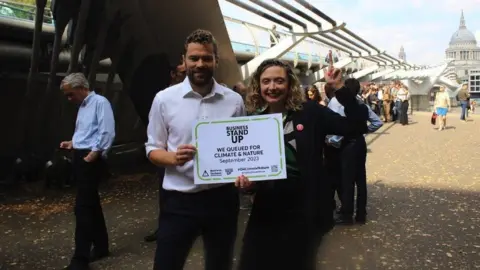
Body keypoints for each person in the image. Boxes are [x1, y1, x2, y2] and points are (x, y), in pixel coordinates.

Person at [235, 59, 368, 270]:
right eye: (266, 81)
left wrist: (339, 89)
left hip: (305, 207)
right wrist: (249, 185)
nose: (272, 87)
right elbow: (253, 167)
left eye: (279, 81)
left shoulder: (310, 113)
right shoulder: (252, 120)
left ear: (289, 84)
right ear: (258, 86)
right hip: (267, 206)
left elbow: (357, 125)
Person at [145, 29, 245, 270]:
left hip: (222, 199)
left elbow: (241, 147)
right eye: (194, 58)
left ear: (216, 61)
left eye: (207, 58)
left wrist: (246, 174)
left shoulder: (234, 101)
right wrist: (172, 158)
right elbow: (152, 149)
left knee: (220, 264)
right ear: (184, 60)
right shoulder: (163, 99)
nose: (200, 64)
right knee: (166, 264)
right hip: (179, 201)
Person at [60, 73, 115, 270]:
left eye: (71, 94)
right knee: (91, 203)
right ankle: (101, 246)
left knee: (82, 207)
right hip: (82, 154)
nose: (69, 99)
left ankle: (80, 258)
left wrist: (96, 151)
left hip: (92, 158)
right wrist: (73, 143)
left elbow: (106, 130)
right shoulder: (82, 106)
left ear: (82, 88)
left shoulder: (100, 102)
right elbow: (86, 131)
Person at [144, 62, 186, 243]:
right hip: (168, 156)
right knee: (166, 194)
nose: (185, 74)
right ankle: (165, 228)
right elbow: (154, 137)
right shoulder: (163, 98)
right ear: (173, 74)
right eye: (181, 72)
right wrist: (166, 155)